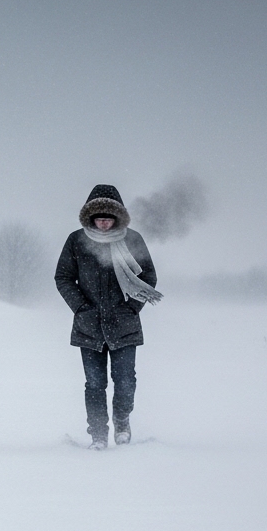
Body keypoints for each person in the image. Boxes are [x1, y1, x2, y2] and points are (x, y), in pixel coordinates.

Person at [54, 185, 161, 450]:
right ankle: (98, 434)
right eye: (98, 216)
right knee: (94, 383)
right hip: (88, 326)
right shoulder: (77, 241)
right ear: (90, 217)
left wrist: (132, 307)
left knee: (125, 381)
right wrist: (81, 307)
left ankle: (122, 422)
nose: (103, 221)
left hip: (124, 324)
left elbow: (148, 277)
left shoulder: (131, 239)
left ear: (117, 217)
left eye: (108, 216)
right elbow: (63, 277)